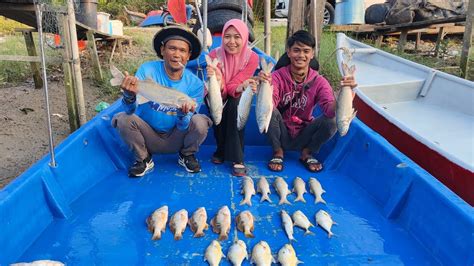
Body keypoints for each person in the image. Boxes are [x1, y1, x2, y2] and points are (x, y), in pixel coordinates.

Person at [112, 26, 212, 177]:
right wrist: (129, 96)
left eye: (182, 50)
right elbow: (130, 111)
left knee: (201, 121)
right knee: (122, 119)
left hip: (177, 138)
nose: (177, 54)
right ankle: (143, 158)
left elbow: (184, 125)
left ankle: (186, 155)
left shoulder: (195, 84)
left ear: (188, 56)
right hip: (148, 135)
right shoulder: (147, 70)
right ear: (163, 50)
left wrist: (182, 114)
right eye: (172, 48)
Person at [259, 30, 357, 172]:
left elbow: (329, 110)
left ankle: (307, 152)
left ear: (312, 54)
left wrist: (344, 93)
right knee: (269, 111)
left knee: (332, 120)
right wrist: (264, 85)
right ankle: (278, 151)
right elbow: (270, 104)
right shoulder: (277, 77)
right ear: (288, 52)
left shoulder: (320, 81)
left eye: (306, 51)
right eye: (296, 50)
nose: (301, 55)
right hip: (281, 132)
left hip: (305, 133)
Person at [206, 19, 259, 176]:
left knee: (235, 106)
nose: (232, 42)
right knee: (216, 114)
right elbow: (220, 88)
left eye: (237, 37)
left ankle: (237, 157)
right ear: (222, 37)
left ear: (244, 37)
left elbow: (235, 84)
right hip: (218, 90)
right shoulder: (214, 54)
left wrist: (242, 86)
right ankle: (221, 150)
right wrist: (217, 79)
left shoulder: (252, 58)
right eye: (227, 37)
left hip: (237, 91)